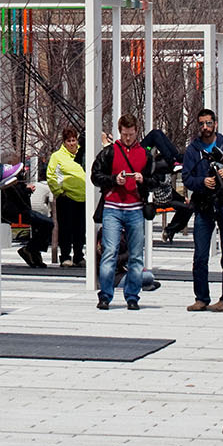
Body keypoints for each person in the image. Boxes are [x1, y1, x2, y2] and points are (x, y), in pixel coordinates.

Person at [181, 107, 223, 312]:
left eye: (208, 123)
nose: (205, 127)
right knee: (200, 255)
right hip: (203, 205)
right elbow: (186, 178)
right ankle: (201, 297)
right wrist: (203, 181)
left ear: (215, 124)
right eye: (201, 123)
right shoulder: (193, 150)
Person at [91, 115, 158, 310]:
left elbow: (156, 181)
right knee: (109, 252)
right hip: (112, 207)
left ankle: (132, 296)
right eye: (125, 134)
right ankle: (105, 295)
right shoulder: (110, 152)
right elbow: (95, 176)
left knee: (136, 255)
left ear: (137, 131)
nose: (128, 138)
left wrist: (142, 179)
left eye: (131, 134)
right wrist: (114, 180)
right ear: (120, 132)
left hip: (135, 208)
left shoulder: (145, 155)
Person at [46, 127, 88, 267]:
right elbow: (52, 176)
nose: (72, 143)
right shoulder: (57, 157)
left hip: (82, 197)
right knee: (66, 229)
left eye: (74, 140)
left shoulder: (83, 154)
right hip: (67, 197)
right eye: (69, 141)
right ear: (64, 142)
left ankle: (78, 256)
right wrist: (59, 191)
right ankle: (65, 256)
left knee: (80, 230)